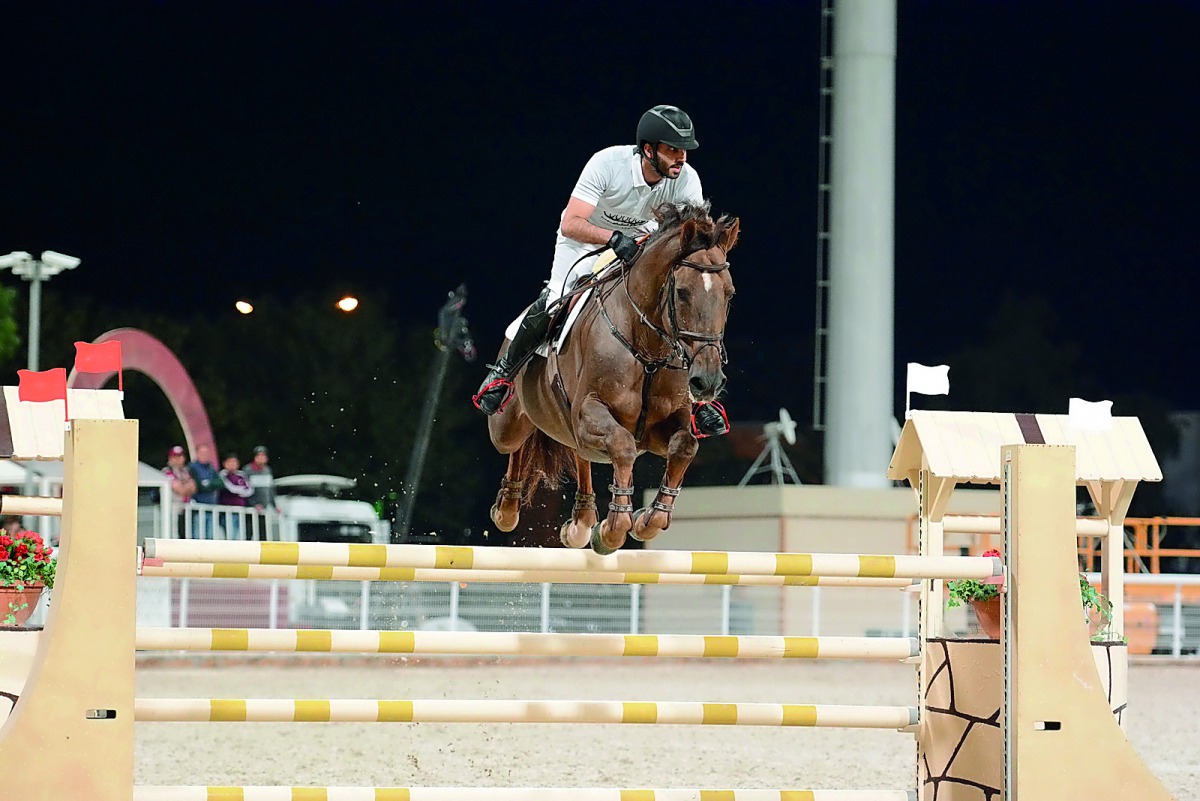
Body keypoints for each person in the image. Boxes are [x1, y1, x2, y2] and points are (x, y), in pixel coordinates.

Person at [471, 104, 728, 436]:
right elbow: (571, 222)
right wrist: (612, 238)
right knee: (558, 298)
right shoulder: (607, 164)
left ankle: (699, 401)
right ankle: (503, 375)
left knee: (678, 304)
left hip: (640, 247)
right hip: (584, 242)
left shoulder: (687, 180)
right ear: (648, 150)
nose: (681, 158)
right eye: (672, 150)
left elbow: (694, 240)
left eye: (684, 150)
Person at [217, 452, 254, 540]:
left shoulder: (241, 475)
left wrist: (240, 491)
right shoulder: (222, 474)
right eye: (229, 462)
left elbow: (250, 490)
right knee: (231, 535)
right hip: (228, 511)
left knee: (240, 536)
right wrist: (241, 490)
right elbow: (231, 488)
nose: (232, 464)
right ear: (224, 464)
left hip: (241, 510)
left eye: (234, 462)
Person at [188, 444, 221, 540]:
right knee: (199, 536)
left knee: (210, 536)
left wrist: (208, 484)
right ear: (197, 454)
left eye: (206, 453)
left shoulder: (211, 468)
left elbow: (220, 483)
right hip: (198, 507)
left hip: (211, 506)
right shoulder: (192, 467)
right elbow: (198, 486)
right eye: (202, 453)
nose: (205, 455)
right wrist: (210, 485)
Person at [162, 445, 196, 538]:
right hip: (173, 509)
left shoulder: (185, 471)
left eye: (181, 456)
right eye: (175, 457)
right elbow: (180, 490)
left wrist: (184, 486)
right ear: (170, 458)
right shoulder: (167, 471)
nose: (179, 459)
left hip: (186, 508)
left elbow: (194, 488)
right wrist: (186, 486)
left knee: (186, 534)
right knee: (173, 534)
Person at [244, 445, 277, 538]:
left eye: (263, 456)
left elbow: (270, 490)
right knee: (249, 533)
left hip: (264, 509)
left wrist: (275, 506)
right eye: (258, 456)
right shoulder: (248, 470)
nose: (261, 458)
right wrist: (254, 504)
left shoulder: (267, 470)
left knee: (263, 534)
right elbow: (245, 490)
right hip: (251, 509)